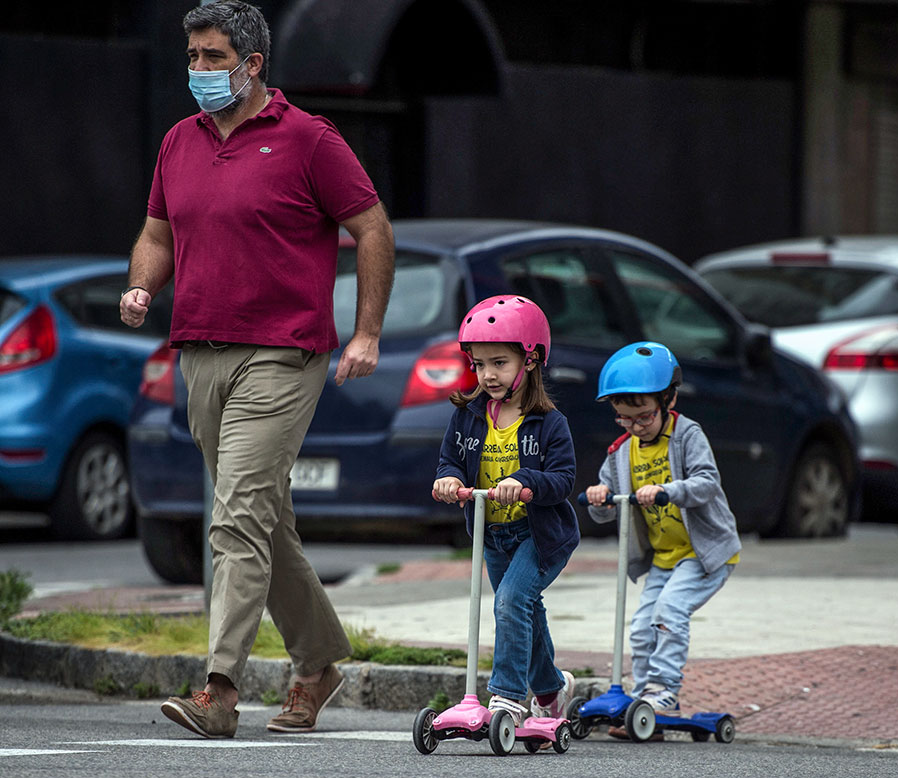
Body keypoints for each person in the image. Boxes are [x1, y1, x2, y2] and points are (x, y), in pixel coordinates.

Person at [118, 1, 396, 737]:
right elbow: (156, 234)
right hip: (200, 351)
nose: (198, 70)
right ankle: (318, 666)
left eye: (213, 57)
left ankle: (219, 689)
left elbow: (371, 227)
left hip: (283, 351)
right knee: (262, 522)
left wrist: (367, 333)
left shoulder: (309, 139)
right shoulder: (179, 141)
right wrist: (143, 284)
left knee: (236, 515)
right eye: (192, 57)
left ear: (252, 64)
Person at [432, 295, 579, 728]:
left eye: (499, 363)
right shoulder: (468, 417)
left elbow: (563, 480)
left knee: (511, 601)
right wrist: (448, 480)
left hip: (540, 536)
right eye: (479, 364)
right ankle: (551, 690)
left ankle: (508, 699)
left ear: (530, 360)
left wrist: (526, 481)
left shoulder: (550, 423)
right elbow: (450, 461)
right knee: (521, 609)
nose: (488, 375)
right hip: (492, 534)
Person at [584, 341, 740, 735]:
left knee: (669, 612)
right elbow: (606, 508)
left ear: (668, 399)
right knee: (641, 626)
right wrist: (600, 498)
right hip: (663, 557)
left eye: (644, 417)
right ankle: (644, 701)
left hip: (703, 553)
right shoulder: (621, 452)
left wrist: (668, 491)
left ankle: (664, 691)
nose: (635, 426)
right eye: (624, 419)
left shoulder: (687, 435)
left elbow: (707, 482)